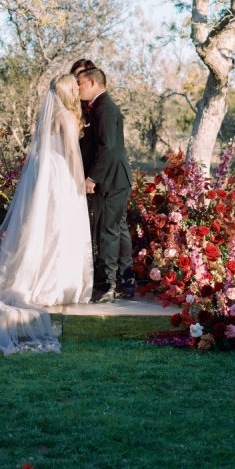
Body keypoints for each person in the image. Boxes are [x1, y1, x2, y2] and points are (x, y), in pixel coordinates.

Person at [0, 75, 93, 354]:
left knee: (40, 228)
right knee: (59, 229)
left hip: (44, 177)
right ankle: (53, 285)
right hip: (60, 177)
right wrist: (80, 182)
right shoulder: (67, 116)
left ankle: (31, 278)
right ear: (70, 91)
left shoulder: (46, 116)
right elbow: (71, 152)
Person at [75, 67, 134, 302]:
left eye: (79, 83)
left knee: (108, 231)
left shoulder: (105, 109)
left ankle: (106, 287)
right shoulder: (98, 108)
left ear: (91, 83)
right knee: (113, 229)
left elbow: (108, 148)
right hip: (113, 178)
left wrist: (93, 178)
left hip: (112, 179)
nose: (77, 88)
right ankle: (123, 284)